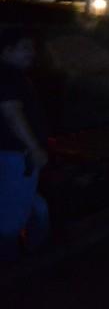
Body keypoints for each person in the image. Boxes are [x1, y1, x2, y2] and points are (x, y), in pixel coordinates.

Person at [0, 26, 49, 263]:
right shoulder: (8, 76)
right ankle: (11, 266)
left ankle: (33, 250)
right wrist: (34, 147)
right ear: (7, 51)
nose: (31, 53)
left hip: (14, 155)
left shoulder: (11, 74)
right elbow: (12, 113)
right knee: (11, 219)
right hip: (16, 156)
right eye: (24, 48)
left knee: (35, 206)